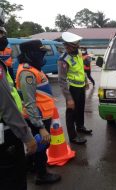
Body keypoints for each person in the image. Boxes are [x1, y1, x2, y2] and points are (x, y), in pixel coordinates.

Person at [0, 8, 37, 190]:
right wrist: (27, 137)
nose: (3, 37)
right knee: (13, 179)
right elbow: (7, 107)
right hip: (7, 134)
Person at [15, 40, 61, 185]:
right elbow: (29, 103)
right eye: (40, 53)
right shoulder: (27, 73)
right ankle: (42, 175)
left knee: (40, 145)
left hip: (43, 114)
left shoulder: (34, 68)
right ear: (30, 54)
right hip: (37, 117)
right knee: (41, 146)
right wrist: (40, 127)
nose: (42, 57)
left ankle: (30, 166)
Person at [58, 32, 92, 145]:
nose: (77, 47)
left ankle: (80, 127)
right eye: (74, 45)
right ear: (67, 45)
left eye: (77, 45)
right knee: (71, 112)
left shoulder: (77, 53)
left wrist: (85, 81)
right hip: (71, 88)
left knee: (80, 108)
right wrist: (69, 98)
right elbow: (61, 80)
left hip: (80, 86)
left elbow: (81, 68)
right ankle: (73, 136)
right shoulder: (63, 59)